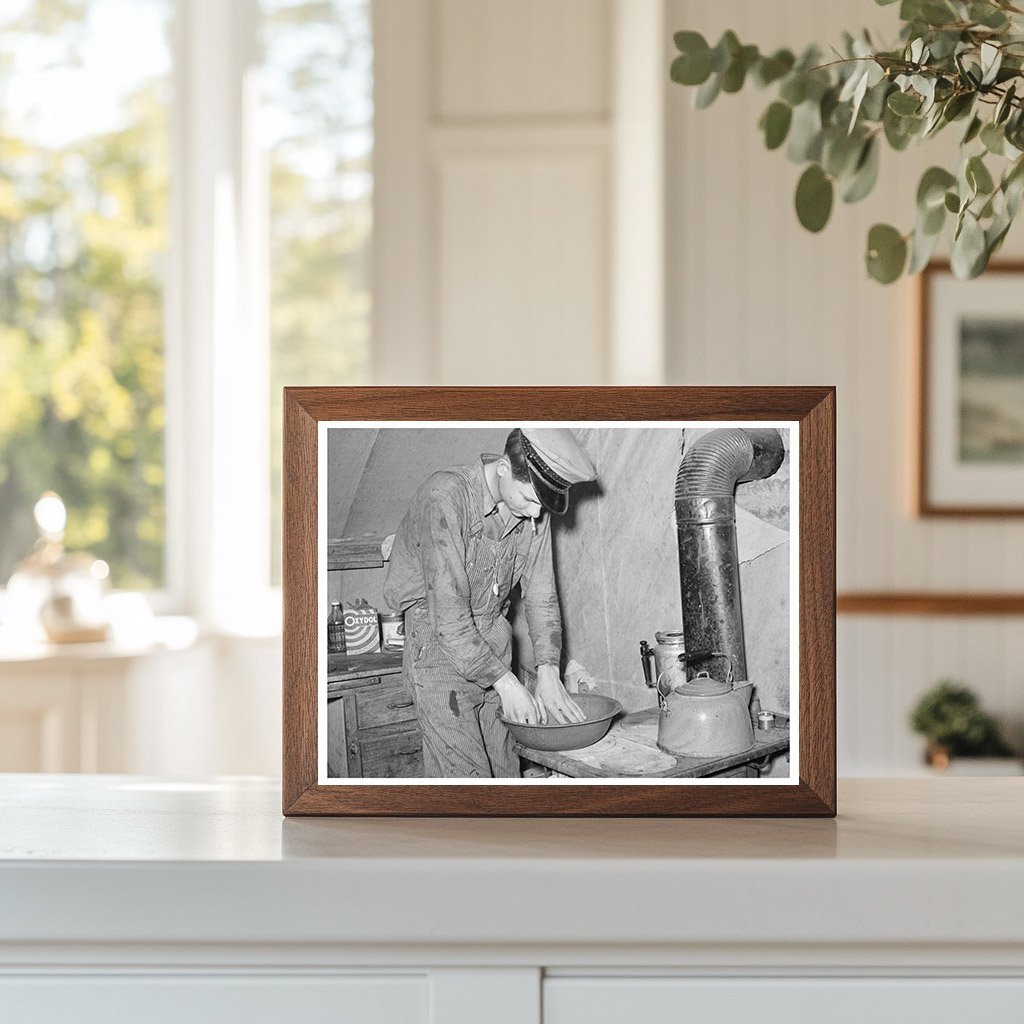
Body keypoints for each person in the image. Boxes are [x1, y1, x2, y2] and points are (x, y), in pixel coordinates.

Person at [382, 427, 597, 778]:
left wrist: (548, 671)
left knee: (505, 771)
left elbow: (541, 593)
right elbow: (448, 618)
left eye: (542, 506)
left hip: (494, 636)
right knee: (467, 784)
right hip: (437, 647)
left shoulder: (534, 508)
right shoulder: (445, 497)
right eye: (528, 500)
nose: (536, 515)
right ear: (503, 468)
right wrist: (507, 683)